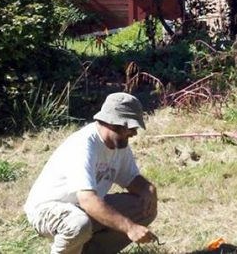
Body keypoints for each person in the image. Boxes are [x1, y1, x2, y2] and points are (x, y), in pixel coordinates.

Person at [24, 92, 158, 254]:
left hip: (83, 208)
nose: (134, 133)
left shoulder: (119, 145)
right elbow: (87, 200)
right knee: (78, 224)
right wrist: (130, 228)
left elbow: (132, 180)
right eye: (130, 128)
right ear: (113, 123)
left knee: (144, 207)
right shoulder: (83, 145)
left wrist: (148, 189)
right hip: (48, 210)